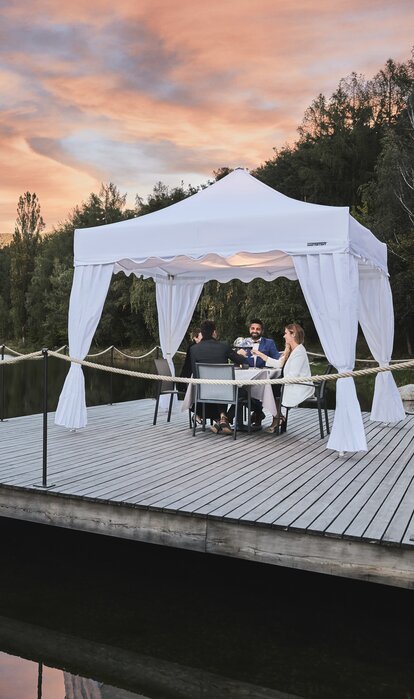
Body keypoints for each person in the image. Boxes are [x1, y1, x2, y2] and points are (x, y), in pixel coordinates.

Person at [252, 323, 314, 433]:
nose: (284, 336)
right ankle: (278, 417)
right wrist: (260, 354)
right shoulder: (292, 350)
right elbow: (278, 364)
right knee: (268, 386)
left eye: (286, 333)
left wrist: (277, 381)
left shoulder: (299, 351)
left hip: (299, 386)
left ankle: (277, 417)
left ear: (293, 334)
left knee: (268, 387)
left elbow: (293, 376)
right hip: (290, 383)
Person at [190, 319, 248, 434]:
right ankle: (224, 418)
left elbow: (195, 374)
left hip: (204, 391)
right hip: (224, 390)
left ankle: (221, 419)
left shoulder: (193, 349)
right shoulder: (223, 346)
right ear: (214, 332)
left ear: (202, 333)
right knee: (245, 392)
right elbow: (240, 360)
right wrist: (242, 354)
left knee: (219, 388)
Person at [236, 318, 279, 426]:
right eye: (253, 328)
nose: (255, 331)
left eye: (258, 329)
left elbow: (276, 360)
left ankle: (258, 413)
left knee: (246, 393)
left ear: (262, 331)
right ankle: (258, 412)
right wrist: (238, 355)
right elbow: (236, 361)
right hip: (246, 378)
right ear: (249, 329)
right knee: (240, 392)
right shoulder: (243, 342)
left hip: (263, 378)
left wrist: (264, 358)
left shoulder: (269, 343)